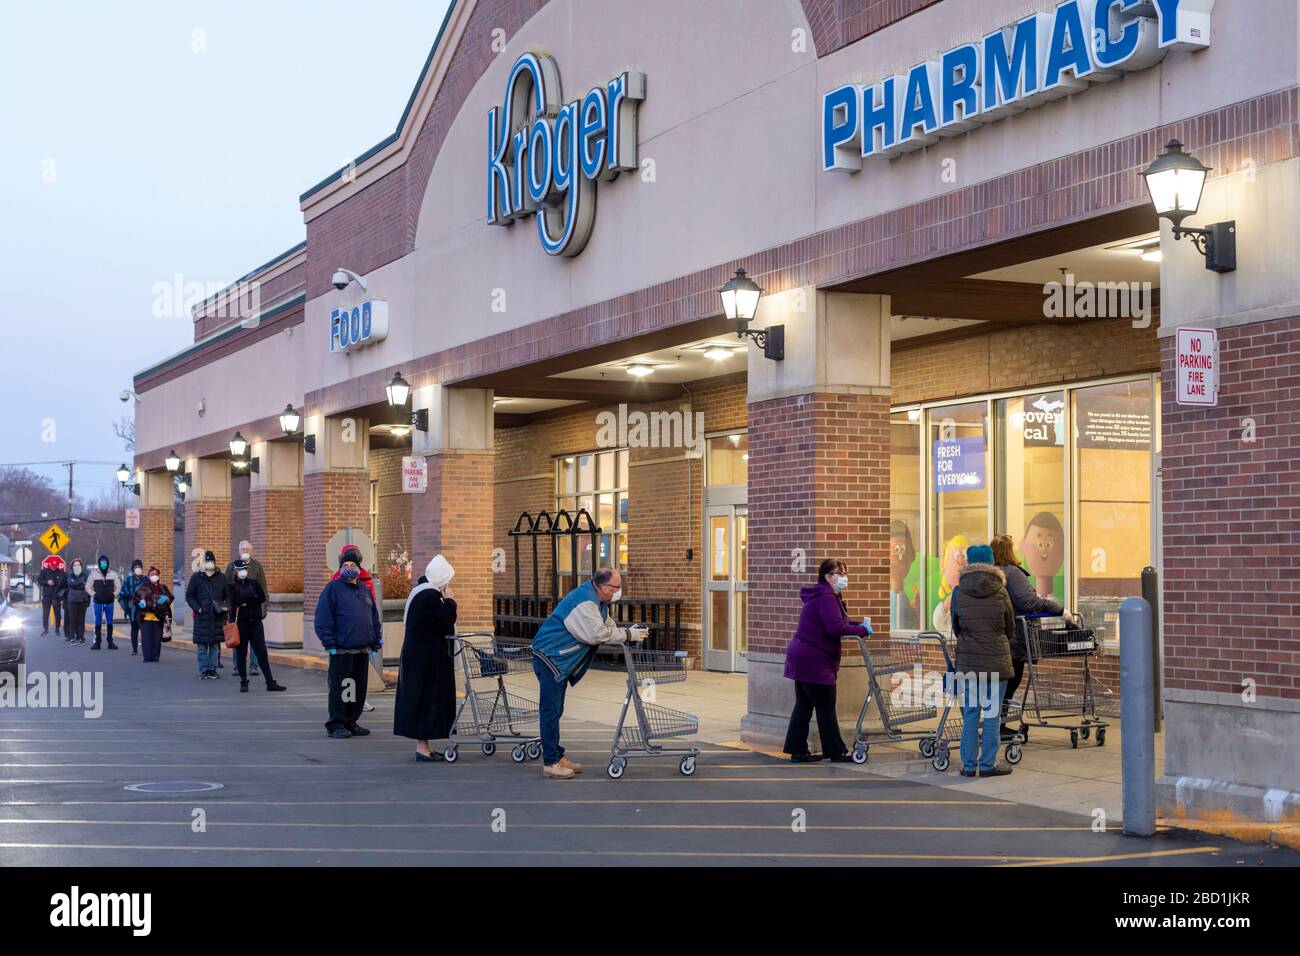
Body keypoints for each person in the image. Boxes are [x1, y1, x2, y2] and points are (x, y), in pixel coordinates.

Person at [530, 567, 646, 780]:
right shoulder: (585, 603)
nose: (620, 591)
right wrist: (628, 634)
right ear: (604, 587)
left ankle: (557, 754)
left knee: (556, 709)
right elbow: (597, 634)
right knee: (550, 710)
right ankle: (551, 763)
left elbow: (609, 626)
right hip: (550, 657)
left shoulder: (599, 602)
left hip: (559, 659)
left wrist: (627, 633)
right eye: (617, 587)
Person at [782, 559, 872, 763]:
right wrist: (862, 631)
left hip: (803, 657)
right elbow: (835, 628)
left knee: (804, 705)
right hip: (814, 659)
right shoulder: (827, 598)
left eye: (845, 572)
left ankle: (797, 750)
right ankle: (836, 751)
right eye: (839, 573)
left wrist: (860, 625)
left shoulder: (825, 596)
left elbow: (839, 622)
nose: (844, 577)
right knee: (825, 706)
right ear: (828, 577)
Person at [991, 534, 1073, 739]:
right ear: (1010, 552)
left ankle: (996, 723)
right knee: (1011, 680)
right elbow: (1029, 602)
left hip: (996, 638)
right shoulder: (1012, 573)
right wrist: (1059, 610)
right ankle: (998, 725)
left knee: (1002, 682)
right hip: (1014, 637)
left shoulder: (990, 575)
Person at [950, 544, 1016, 778]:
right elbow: (1010, 627)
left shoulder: (959, 591)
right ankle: (988, 764)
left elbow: (956, 627)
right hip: (996, 662)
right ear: (991, 563)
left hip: (968, 663)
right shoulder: (1001, 591)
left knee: (970, 713)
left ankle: (968, 766)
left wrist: (970, 641)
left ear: (969, 562)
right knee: (992, 713)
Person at [393, 554, 458, 761]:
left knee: (424, 700)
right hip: (426, 662)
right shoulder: (429, 597)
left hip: (421, 659)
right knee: (426, 701)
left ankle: (424, 746)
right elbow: (445, 621)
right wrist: (451, 601)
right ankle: (422, 748)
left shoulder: (420, 593)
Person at [314, 545, 383, 738]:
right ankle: (336, 723)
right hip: (342, 651)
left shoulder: (364, 589)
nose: (349, 567)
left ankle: (351, 721)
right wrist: (330, 644)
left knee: (355, 689)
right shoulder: (333, 589)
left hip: (362, 650)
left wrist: (376, 640)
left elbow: (373, 617)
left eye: (353, 564)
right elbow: (323, 619)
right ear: (341, 567)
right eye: (346, 564)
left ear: (359, 568)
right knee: (341, 688)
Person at [227, 558, 285, 693]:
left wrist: (246, 600)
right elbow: (234, 601)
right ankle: (243, 682)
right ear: (235, 571)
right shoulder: (231, 586)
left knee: (262, 653)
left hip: (256, 622)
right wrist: (249, 598)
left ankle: (270, 682)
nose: (243, 572)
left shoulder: (253, 583)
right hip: (241, 623)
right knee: (241, 653)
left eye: (245, 569)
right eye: (240, 570)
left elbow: (261, 597)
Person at [225, 541, 267, 677]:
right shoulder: (232, 566)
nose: (245, 551)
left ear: (251, 551)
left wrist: (263, 609)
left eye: (247, 549)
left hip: (253, 610)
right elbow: (226, 588)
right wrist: (229, 609)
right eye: (242, 548)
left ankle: (254, 666)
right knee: (237, 639)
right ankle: (237, 666)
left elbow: (263, 589)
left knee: (255, 642)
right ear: (238, 550)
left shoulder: (257, 566)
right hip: (238, 611)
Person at [185, 550, 229, 679]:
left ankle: (212, 668)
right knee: (202, 645)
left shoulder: (221, 577)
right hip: (202, 616)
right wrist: (197, 608)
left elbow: (227, 596)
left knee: (215, 645)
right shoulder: (196, 577)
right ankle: (203, 669)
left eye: (211, 561)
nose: (209, 563)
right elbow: (189, 595)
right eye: (207, 561)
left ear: (214, 562)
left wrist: (225, 608)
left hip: (217, 616)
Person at [134, 567, 173, 663]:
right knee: (147, 639)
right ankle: (147, 658)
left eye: (156, 574)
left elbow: (170, 597)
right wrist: (140, 604)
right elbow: (135, 599)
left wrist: (166, 599)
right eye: (152, 574)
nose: (154, 576)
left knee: (157, 640)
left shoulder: (163, 588)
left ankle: (155, 657)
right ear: (148, 576)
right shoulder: (143, 588)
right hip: (146, 618)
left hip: (159, 618)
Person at [87, 555, 120, 650]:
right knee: (97, 622)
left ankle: (110, 642)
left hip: (109, 602)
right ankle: (97, 642)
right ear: (99, 563)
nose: (103, 564)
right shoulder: (93, 574)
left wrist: (114, 594)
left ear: (108, 563)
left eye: (105, 562)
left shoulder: (113, 574)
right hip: (98, 602)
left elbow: (118, 586)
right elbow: (87, 587)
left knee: (109, 622)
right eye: (102, 562)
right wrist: (93, 594)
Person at [119, 559, 149, 655]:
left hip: (144, 608)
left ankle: (146, 648)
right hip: (133, 608)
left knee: (144, 629)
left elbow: (149, 591)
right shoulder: (128, 580)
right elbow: (123, 592)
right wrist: (131, 596)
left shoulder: (145, 580)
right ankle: (134, 649)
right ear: (133, 569)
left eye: (139, 567)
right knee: (134, 629)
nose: (138, 569)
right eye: (136, 567)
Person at [37, 555, 67, 637]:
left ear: (57, 565)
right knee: (45, 613)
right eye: (52, 566)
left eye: (55, 566)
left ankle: (57, 629)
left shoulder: (61, 573)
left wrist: (57, 583)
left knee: (57, 614)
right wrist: (47, 582)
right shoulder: (44, 571)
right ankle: (45, 629)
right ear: (49, 564)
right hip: (46, 596)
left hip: (56, 597)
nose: (53, 567)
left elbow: (64, 584)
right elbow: (39, 580)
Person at [64, 558, 91, 645]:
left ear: (81, 566)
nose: (77, 566)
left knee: (81, 620)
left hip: (83, 600)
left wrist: (78, 584)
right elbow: (71, 584)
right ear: (72, 566)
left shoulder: (85, 575)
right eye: (75, 565)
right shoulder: (70, 575)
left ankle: (81, 637)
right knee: (72, 620)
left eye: (78, 564)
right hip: (72, 601)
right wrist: (80, 584)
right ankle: (72, 638)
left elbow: (87, 585)